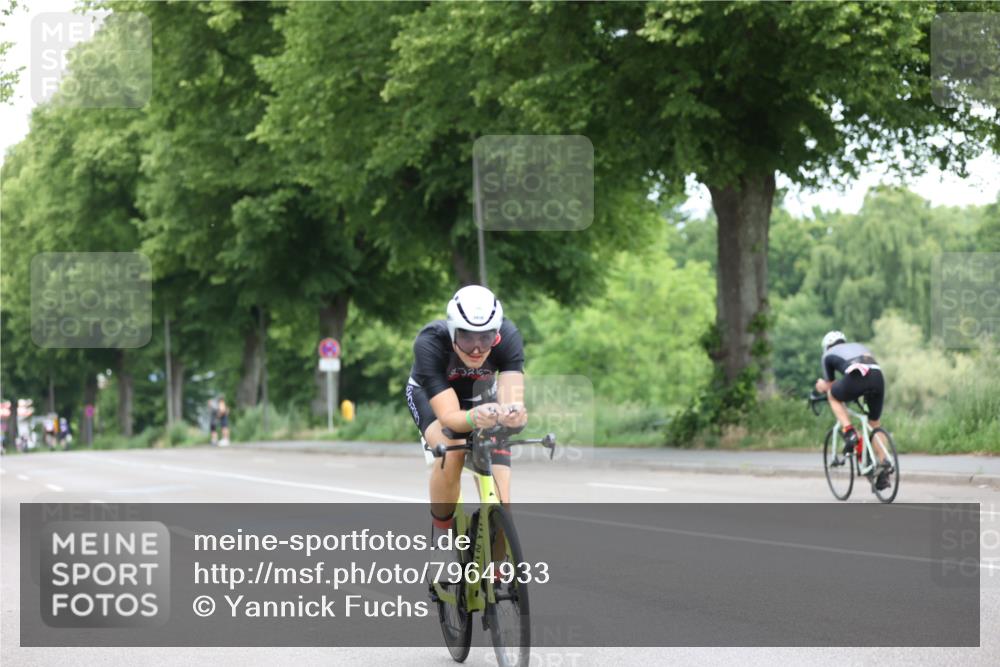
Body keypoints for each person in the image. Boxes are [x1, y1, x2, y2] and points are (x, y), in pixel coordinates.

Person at [405, 285, 528, 547]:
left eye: (486, 338)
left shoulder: (509, 336)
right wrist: (473, 419)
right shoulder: (429, 342)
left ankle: (495, 572)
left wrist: (514, 416)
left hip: (480, 397)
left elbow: (511, 401)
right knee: (453, 449)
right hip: (431, 396)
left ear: (497, 334)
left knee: (503, 500)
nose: (476, 348)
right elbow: (450, 417)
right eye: (467, 338)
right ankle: (442, 539)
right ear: (451, 333)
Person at [814, 330, 892, 490]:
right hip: (877, 377)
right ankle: (884, 464)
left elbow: (831, 384)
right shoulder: (858, 345)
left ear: (826, 346)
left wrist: (821, 386)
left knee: (832, 395)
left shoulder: (828, 354)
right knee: (874, 423)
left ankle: (849, 432)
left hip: (856, 377)